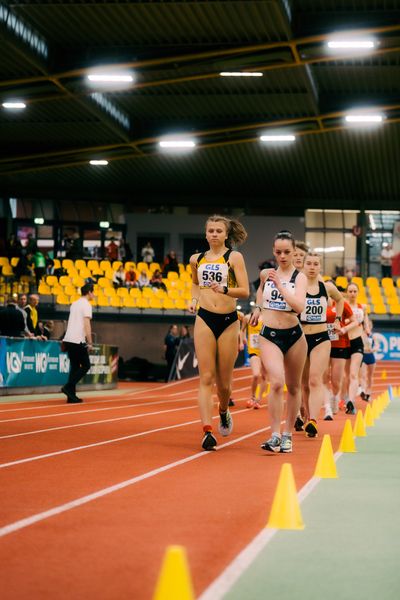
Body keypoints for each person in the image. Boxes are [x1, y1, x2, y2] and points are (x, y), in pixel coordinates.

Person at [189, 214, 249, 451]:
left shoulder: (234, 257)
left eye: (218, 231)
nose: (214, 234)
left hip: (228, 320)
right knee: (206, 378)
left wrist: (226, 289)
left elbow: (244, 291)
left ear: (226, 235)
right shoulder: (196, 259)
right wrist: (194, 299)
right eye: (210, 230)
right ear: (205, 234)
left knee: (224, 384)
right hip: (204, 317)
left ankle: (223, 411)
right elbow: (194, 283)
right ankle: (206, 431)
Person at [250, 230, 307, 454]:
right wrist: (257, 308)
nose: (282, 256)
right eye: (278, 252)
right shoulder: (266, 274)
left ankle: (287, 435)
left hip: (294, 336)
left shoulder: (299, 277)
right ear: (273, 252)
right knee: (275, 382)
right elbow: (261, 293)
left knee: (293, 387)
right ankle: (274, 434)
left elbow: (299, 306)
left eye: (287, 252)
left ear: (294, 252)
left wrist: (281, 287)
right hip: (269, 335)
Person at [299, 253, 344, 435]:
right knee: (303, 383)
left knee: (315, 379)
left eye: (315, 264)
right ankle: (307, 415)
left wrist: (338, 319)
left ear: (320, 267)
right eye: (308, 263)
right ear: (303, 266)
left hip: (320, 337)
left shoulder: (326, 287)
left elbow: (340, 299)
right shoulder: (297, 287)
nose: (311, 267)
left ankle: (313, 420)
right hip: (300, 337)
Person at [61, 283, 95, 403]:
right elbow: (86, 324)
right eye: (93, 292)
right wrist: (90, 342)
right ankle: (68, 387)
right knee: (86, 366)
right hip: (77, 339)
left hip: (69, 338)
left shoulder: (74, 304)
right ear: (89, 292)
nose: (94, 295)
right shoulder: (86, 305)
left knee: (75, 367)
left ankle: (71, 396)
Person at [344, 282, 369, 414]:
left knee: (354, 374)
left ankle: (351, 402)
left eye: (355, 291)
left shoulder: (362, 307)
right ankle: (344, 397)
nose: (353, 293)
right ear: (347, 293)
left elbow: (366, 322)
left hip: (357, 342)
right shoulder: (343, 306)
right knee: (346, 376)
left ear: (358, 293)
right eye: (350, 291)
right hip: (344, 342)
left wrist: (368, 329)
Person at [241, 312, 267, 409]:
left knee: (264, 376)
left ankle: (258, 399)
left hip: (266, 351)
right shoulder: (248, 317)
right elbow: (242, 330)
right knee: (256, 375)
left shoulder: (267, 318)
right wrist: (242, 340)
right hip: (253, 351)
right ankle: (252, 396)